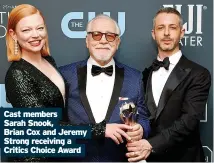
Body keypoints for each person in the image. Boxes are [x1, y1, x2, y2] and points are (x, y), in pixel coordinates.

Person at [60, 14, 150, 162]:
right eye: (96, 35)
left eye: (110, 36)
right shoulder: (64, 75)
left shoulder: (134, 77)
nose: (103, 40)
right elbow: (56, 127)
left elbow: (144, 118)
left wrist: (141, 129)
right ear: (87, 41)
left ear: (118, 42)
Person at [126, 7, 211, 162]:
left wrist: (151, 144)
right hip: (148, 159)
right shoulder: (143, 75)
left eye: (172, 27)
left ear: (182, 32)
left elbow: (188, 121)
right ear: (154, 34)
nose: (166, 33)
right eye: (160, 28)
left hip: (184, 158)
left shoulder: (199, 74)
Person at [5, 4, 68, 162]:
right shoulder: (17, 74)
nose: (35, 35)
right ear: (13, 34)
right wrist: (100, 130)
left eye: (39, 28)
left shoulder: (49, 61)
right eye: (26, 30)